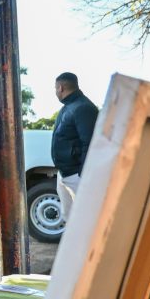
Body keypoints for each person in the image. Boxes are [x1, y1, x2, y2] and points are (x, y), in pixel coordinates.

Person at [51, 72, 99, 222]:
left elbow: (90, 142)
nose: (55, 91)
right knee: (69, 217)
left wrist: (83, 175)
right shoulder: (68, 106)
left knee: (85, 219)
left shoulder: (83, 107)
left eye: (55, 88)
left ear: (61, 87)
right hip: (64, 173)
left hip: (76, 175)